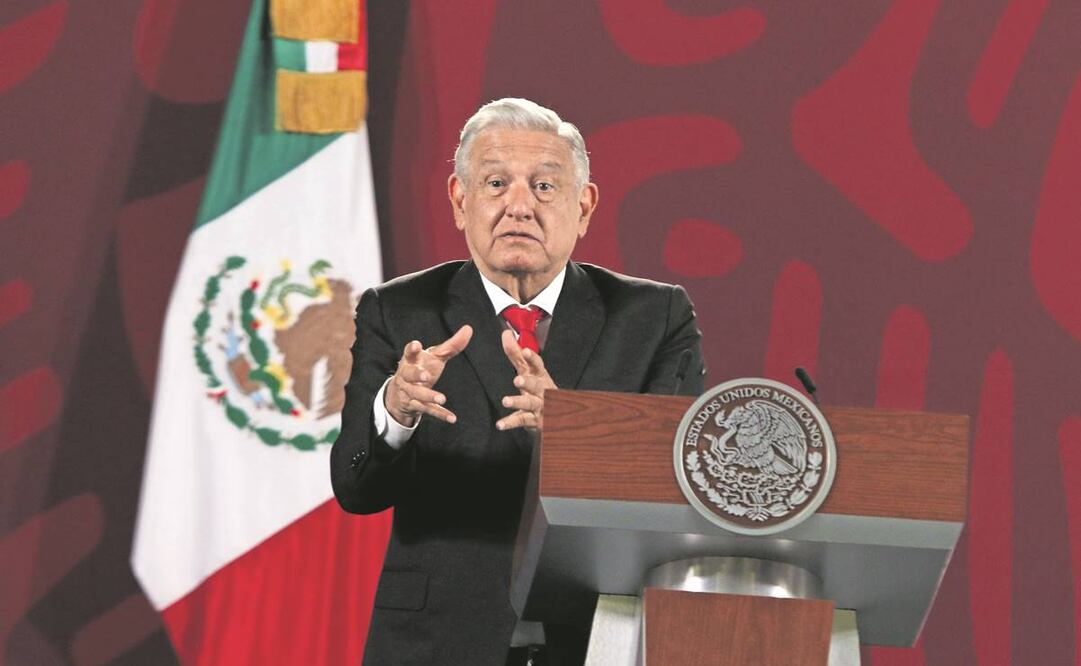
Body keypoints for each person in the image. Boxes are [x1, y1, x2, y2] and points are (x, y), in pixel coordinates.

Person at [331, 98, 704, 666]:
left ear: (584, 207)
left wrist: (572, 431)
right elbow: (356, 489)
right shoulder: (398, 311)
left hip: (596, 636)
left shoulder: (653, 318)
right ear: (460, 200)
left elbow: (678, 490)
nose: (519, 206)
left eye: (545, 187)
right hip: (436, 642)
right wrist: (395, 411)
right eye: (497, 183)